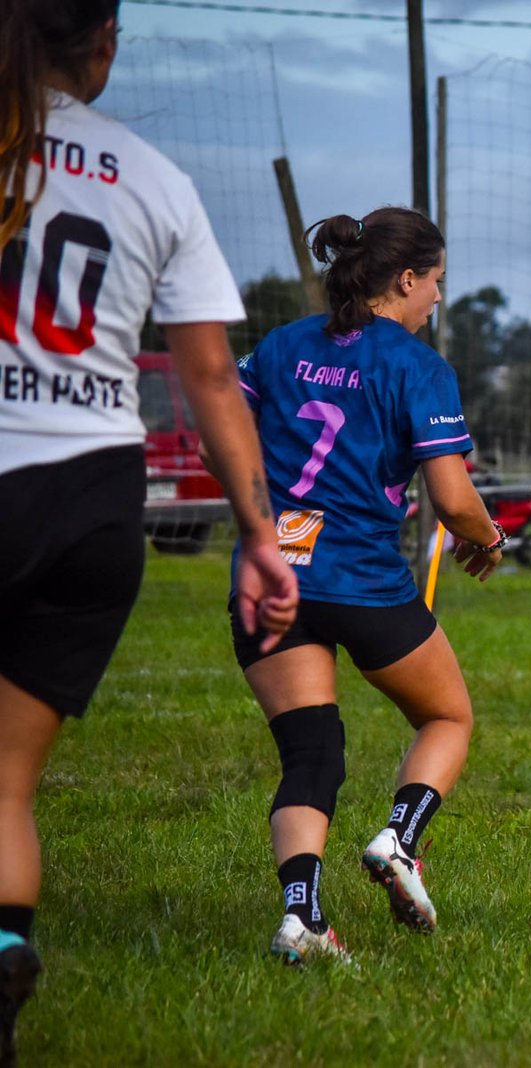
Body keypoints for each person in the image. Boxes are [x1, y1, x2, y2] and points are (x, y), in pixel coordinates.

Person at [0, 2, 299, 1060]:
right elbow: (210, 376)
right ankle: (3, 953)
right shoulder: (154, 179)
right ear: (105, 44)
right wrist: (259, 534)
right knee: (7, 783)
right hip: (93, 495)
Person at [233, 207, 504, 965]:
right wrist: (490, 538)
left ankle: (302, 916)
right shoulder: (419, 366)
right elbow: (453, 500)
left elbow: (223, 438)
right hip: (361, 579)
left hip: (272, 576)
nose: (439, 297)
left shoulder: (281, 345)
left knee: (311, 753)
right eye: (437, 281)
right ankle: (399, 841)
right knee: (447, 716)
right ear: (406, 280)